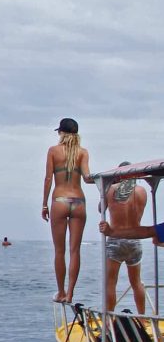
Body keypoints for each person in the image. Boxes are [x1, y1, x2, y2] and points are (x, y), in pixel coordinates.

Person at [42, 118, 93, 303]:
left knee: (59, 251)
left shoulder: (53, 151)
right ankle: (71, 294)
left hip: (60, 200)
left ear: (62, 133)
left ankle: (61, 292)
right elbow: (87, 178)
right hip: (79, 201)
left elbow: (48, 178)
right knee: (75, 251)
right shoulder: (83, 153)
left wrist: (44, 204)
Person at [99, 162, 148, 313]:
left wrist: (110, 185)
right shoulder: (142, 191)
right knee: (136, 283)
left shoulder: (111, 190)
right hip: (134, 240)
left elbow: (101, 209)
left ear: (119, 174)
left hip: (116, 238)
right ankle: (142, 316)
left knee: (111, 283)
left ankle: (109, 320)